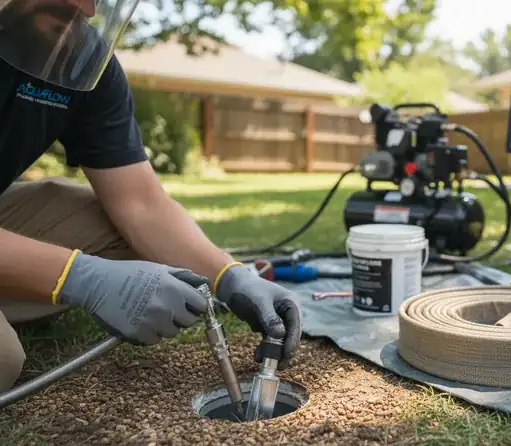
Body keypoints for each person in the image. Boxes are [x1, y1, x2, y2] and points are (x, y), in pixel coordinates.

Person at [0, 0, 302, 393]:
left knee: (125, 240)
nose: (88, 10)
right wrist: (80, 277)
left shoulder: (81, 55)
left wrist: (230, 277)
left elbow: (140, 204)